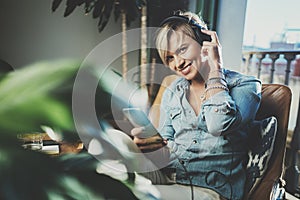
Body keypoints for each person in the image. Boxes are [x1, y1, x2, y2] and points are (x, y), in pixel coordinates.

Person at [131, 11, 262, 200]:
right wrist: (149, 146)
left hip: (213, 189)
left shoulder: (246, 86)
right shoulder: (173, 91)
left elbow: (218, 124)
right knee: (109, 164)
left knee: (138, 195)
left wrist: (215, 68)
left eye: (182, 49)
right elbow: (165, 152)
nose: (178, 63)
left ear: (204, 42)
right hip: (172, 178)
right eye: (169, 58)